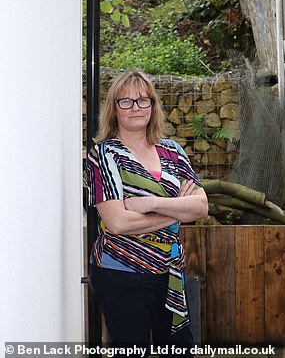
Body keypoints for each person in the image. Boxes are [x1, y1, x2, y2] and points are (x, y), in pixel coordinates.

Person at [84, 70, 208, 357]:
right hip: (122, 273)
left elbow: (201, 206)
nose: (136, 107)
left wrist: (149, 202)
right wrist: (177, 210)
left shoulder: (172, 151)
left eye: (142, 100)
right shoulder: (104, 155)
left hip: (171, 272)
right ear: (114, 110)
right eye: (125, 101)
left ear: (153, 105)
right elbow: (117, 222)